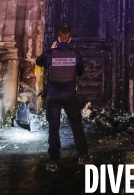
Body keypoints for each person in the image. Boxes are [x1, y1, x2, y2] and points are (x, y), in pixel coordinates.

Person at [36, 27, 89, 172]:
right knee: (76, 124)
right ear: (70, 39)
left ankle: (53, 161)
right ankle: (83, 156)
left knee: (54, 127)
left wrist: (51, 49)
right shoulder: (75, 54)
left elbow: (39, 62)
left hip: (53, 95)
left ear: (58, 39)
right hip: (69, 95)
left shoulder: (50, 53)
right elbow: (81, 71)